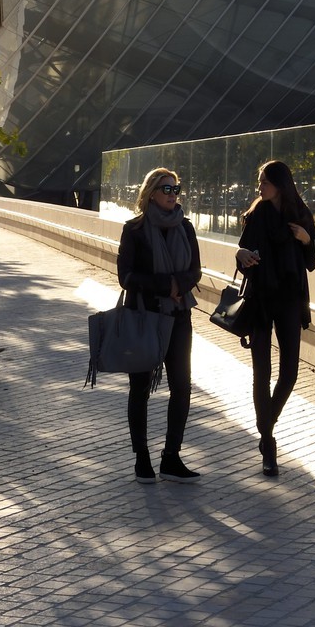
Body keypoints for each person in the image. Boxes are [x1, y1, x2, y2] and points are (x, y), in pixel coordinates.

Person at [117, 167, 202, 484]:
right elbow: (126, 277)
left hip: (179, 316)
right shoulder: (135, 229)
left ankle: (171, 457)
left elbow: (195, 270)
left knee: (181, 386)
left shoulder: (186, 227)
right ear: (151, 192)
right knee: (140, 389)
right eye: (167, 189)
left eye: (176, 188)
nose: (173, 194)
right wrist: (164, 285)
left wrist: (179, 283)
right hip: (144, 316)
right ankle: (142, 458)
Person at [236, 160, 315, 477]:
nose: (260, 187)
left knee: (290, 373)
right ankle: (268, 444)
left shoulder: (300, 217)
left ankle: (265, 423)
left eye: (265, 182)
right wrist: (240, 255)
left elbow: (310, 263)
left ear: (280, 184)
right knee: (261, 373)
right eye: (259, 182)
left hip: (290, 301)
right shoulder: (257, 215)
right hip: (260, 301)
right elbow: (244, 254)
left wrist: (306, 241)